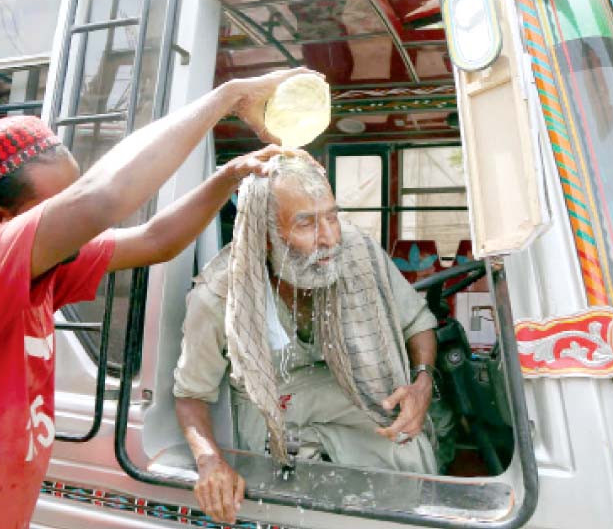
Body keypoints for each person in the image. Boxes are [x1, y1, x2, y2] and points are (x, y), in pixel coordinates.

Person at [0, 68, 316, 529]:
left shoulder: (48, 269)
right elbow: (101, 199)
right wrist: (229, 95)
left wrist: (230, 174)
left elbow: (158, 240)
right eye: (59, 213)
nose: (77, 228)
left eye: (72, 202)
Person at [174, 156, 439, 524]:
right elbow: (190, 394)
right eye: (306, 223)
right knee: (293, 465)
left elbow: (417, 322)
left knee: (406, 443)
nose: (329, 237)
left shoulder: (356, 252)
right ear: (265, 237)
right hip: (268, 400)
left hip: (340, 384)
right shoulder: (220, 296)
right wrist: (209, 461)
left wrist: (422, 382)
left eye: (331, 216)